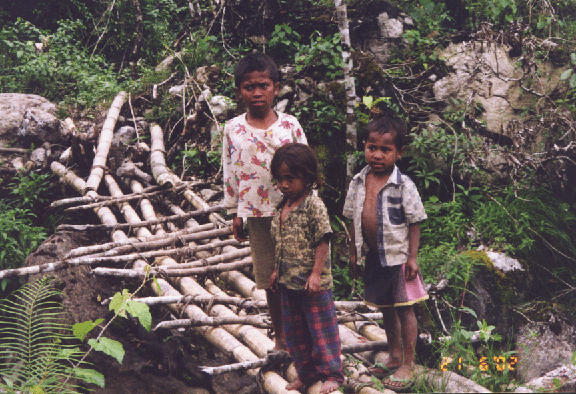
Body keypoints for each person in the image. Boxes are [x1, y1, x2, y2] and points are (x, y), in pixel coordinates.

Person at [222, 52, 307, 351]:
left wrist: (309, 207)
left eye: (263, 85)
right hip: (257, 216)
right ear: (239, 91)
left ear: (275, 87)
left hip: (294, 212)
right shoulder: (233, 129)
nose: (257, 92)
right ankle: (281, 338)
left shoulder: (290, 126)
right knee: (271, 279)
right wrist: (235, 211)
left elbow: (307, 168)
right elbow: (230, 170)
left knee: (298, 273)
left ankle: (305, 334)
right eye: (249, 87)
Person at [343, 117, 429, 392]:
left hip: (398, 258)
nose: (377, 155)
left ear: (398, 152)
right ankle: (393, 355)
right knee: (386, 309)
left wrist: (412, 257)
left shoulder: (403, 184)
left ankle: (409, 362)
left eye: (386, 149)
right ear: (364, 147)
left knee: (405, 308)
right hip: (373, 257)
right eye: (372, 147)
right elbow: (351, 218)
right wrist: (354, 254)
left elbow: (415, 221)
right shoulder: (358, 181)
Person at [268, 143, 344, 394]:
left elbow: (323, 240)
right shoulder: (281, 206)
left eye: (290, 178)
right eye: (279, 179)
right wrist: (276, 272)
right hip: (288, 283)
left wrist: (315, 274)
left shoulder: (314, 205)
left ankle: (332, 374)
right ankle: (306, 372)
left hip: (312, 285)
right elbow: (280, 244)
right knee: (295, 332)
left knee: (322, 330)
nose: (284, 184)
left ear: (307, 176)